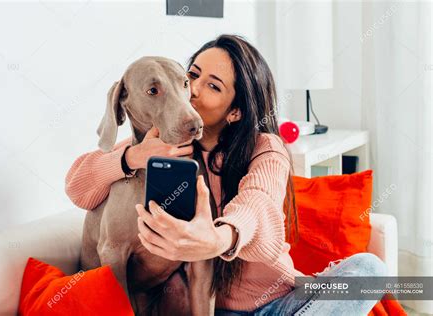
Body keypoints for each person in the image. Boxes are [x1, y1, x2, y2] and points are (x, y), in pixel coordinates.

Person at [65, 34, 387, 315]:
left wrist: (218, 238)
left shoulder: (266, 148)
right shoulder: (157, 147)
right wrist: (131, 156)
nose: (189, 93)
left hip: (284, 302)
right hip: (219, 311)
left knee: (370, 271)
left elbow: (257, 205)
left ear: (235, 111)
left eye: (213, 86)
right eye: (190, 77)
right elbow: (78, 186)